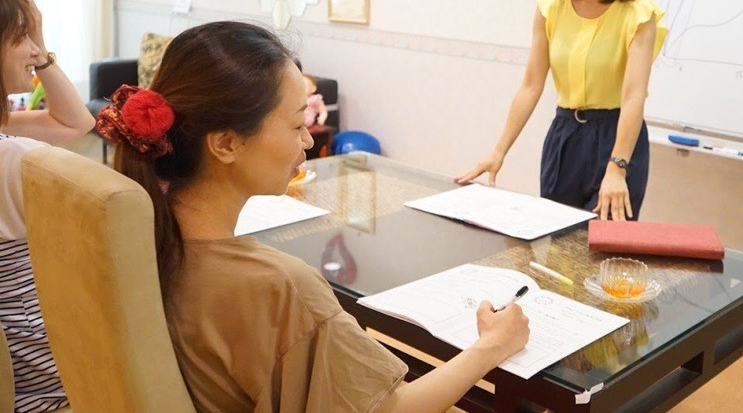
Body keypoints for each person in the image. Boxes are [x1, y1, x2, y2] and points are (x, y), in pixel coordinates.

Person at [97, 21, 529, 413]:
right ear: (226, 144)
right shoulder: (279, 286)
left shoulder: (136, 235)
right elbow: (394, 408)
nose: (307, 139)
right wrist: (492, 345)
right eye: (295, 125)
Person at [457, 0, 667, 221]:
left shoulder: (639, 14)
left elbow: (633, 96)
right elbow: (531, 85)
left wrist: (617, 166)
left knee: (603, 244)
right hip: (565, 137)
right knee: (556, 241)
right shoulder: (550, 6)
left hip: (618, 140)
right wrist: (498, 151)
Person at [0, 0, 96, 412]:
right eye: (23, 37)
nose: (35, 49)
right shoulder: (18, 159)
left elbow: (76, 123)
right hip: (42, 376)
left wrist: (39, 48)